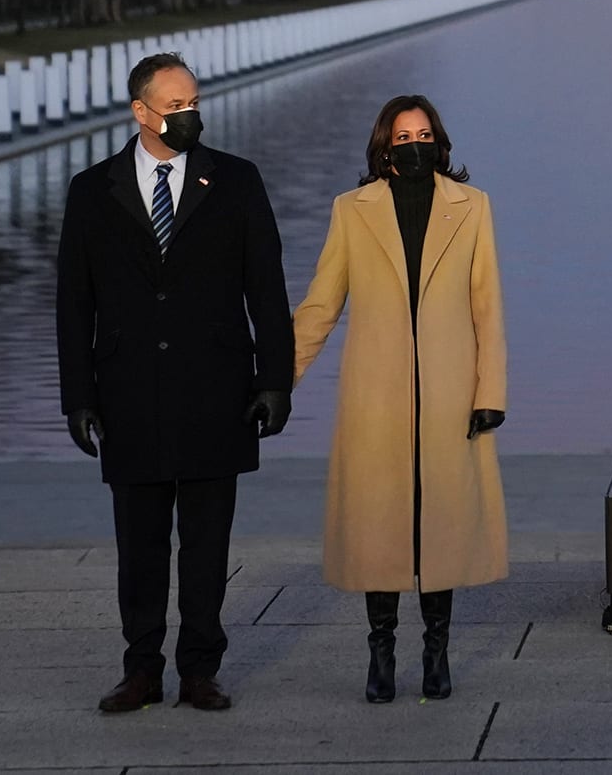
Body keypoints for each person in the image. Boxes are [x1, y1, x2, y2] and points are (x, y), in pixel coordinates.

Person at [55, 52, 294, 714]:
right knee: (139, 544)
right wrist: (78, 395)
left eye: (194, 102)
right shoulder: (92, 190)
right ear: (141, 111)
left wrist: (276, 379)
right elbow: (74, 302)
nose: (189, 114)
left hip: (216, 389)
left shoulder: (237, 181)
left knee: (207, 541)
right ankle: (141, 667)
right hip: (128, 392)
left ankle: (199, 668)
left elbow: (267, 288)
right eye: (175, 105)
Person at [292, 94, 509, 703]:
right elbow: (321, 304)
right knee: (382, 528)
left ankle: (436, 654)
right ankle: (380, 652)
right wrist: (275, 379)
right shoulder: (351, 211)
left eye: (423, 134)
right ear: (384, 147)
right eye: (402, 135)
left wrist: (489, 390)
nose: (413, 144)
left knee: (439, 526)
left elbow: (487, 308)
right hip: (377, 396)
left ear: (438, 141)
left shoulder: (473, 208)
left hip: (450, 392)